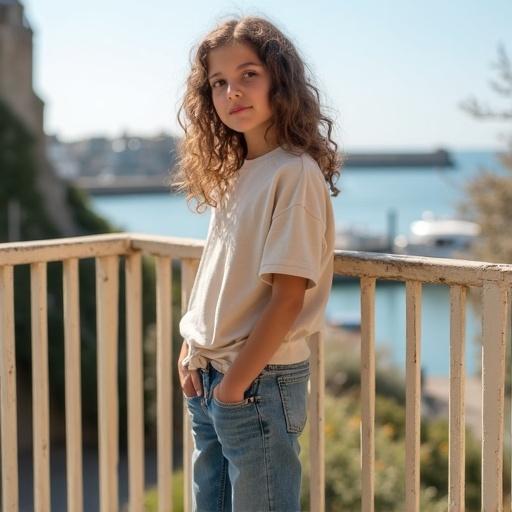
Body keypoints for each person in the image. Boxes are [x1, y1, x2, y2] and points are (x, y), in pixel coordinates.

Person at [170, 13, 342, 512]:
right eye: (219, 82)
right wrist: (190, 349)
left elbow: (288, 298)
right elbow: (218, 272)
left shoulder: (294, 174)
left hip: (256, 385)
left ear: (279, 80)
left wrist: (233, 390)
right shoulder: (236, 173)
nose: (232, 92)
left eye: (249, 74)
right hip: (209, 377)